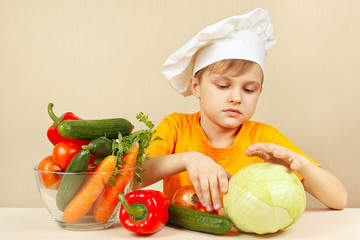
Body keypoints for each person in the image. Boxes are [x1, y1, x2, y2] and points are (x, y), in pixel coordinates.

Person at [137, 8, 347, 212]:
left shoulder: (264, 138)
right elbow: (131, 177)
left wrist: (300, 165)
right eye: (223, 86)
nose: (236, 98)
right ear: (196, 87)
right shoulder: (176, 127)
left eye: (249, 89)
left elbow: (339, 199)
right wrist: (188, 159)